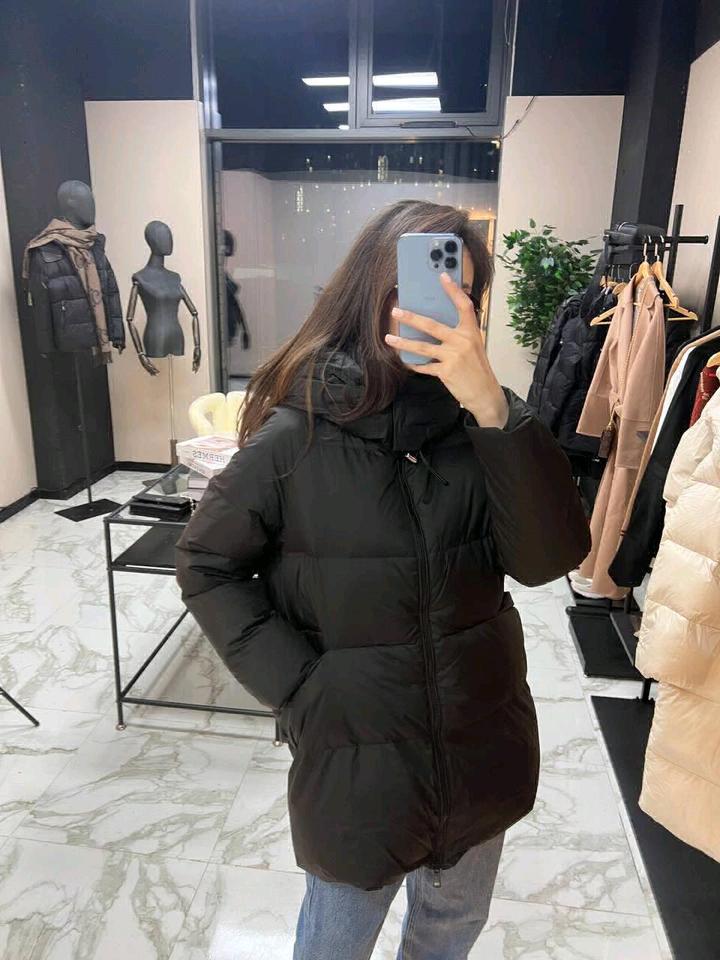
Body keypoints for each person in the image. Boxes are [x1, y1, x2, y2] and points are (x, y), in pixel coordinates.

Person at [176, 199, 590, 959]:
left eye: (463, 295)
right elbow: (207, 564)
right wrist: (301, 686)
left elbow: (545, 562)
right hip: (357, 758)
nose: (440, 310)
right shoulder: (297, 434)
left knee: (451, 929)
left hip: (479, 741)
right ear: (372, 292)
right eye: (420, 289)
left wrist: (492, 408)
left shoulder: (487, 428)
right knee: (337, 940)